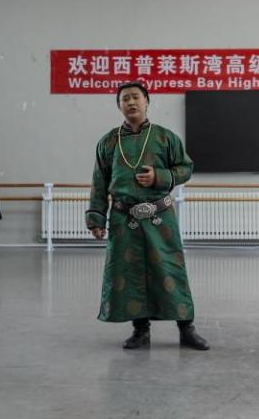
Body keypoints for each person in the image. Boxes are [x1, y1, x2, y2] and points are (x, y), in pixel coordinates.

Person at [86, 82, 209, 351]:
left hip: (160, 219)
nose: (131, 102)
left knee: (170, 270)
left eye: (136, 97)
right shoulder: (108, 142)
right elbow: (99, 182)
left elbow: (186, 169)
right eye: (125, 99)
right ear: (119, 106)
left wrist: (160, 177)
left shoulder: (166, 137)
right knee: (130, 274)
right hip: (123, 220)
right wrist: (96, 218)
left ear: (147, 102)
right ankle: (140, 331)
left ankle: (186, 329)